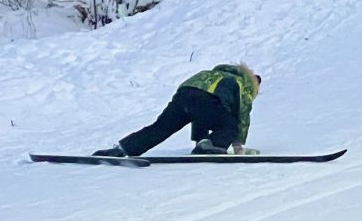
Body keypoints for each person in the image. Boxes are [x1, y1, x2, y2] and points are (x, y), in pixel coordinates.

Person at [94, 63, 261, 157]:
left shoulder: (211, 74)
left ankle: (122, 149)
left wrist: (201, 140)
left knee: (161, 128)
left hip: (184, 95)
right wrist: (238, 145)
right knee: (230, 126)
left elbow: (199, 117)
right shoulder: (243, 85)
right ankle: (212, 147)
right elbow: (242, 118)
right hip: (207, 100)